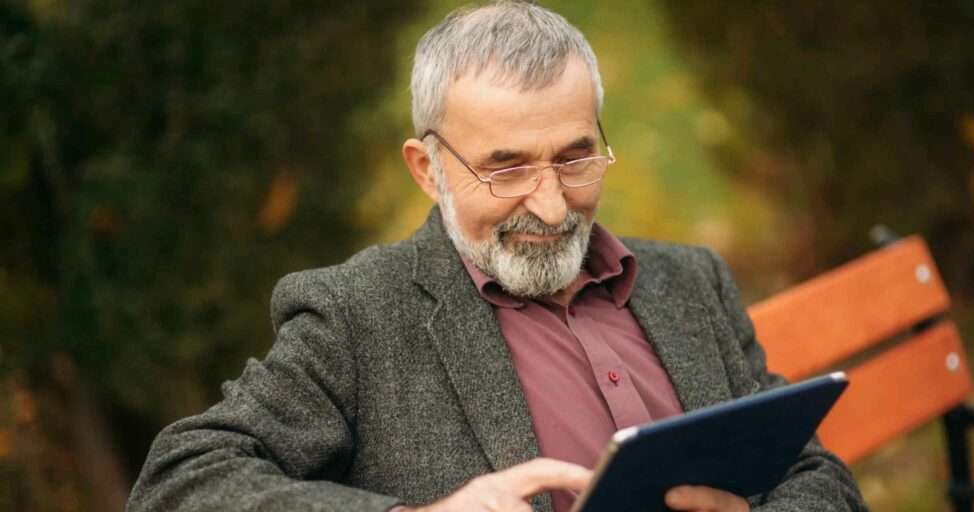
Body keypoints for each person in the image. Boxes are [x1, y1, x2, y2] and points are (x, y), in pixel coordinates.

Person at [127, 2, 866, 511]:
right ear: (427, 168)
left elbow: (817, 473)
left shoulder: (691, 279)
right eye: (506, 169)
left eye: (577, 156)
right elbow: (180, 482)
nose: (550, 204)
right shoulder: (358, 315)